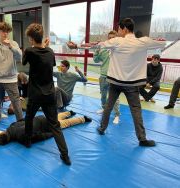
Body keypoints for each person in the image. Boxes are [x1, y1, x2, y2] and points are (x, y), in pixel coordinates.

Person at [67, 18, 166, 147]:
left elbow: (97, 45)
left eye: (119, 29)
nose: (118, 32)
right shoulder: (143, 42)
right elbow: (162, 43)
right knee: (136, 110)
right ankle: (142, 139)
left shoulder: (118, 41)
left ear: (124, 29)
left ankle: (102, 129)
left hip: (115, 82)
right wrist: (152, 39)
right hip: (132, 84)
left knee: (108, 106)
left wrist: (76, 46)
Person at [22, 23, 71, 165]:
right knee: (54, 125)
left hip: (36, 94)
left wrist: (34, 46)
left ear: (31, 39)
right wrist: (45, 45)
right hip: (50, 94)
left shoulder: (29, 51)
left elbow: (24, 61)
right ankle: (65, 155)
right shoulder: (50, 51)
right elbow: (47, 59)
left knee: (29, 117)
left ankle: (27, 141)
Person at [0, 111, 92, 146]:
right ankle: (69, 112)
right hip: (40, 117)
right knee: (57, 116)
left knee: (65, 123)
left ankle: (83, 119)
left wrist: (52, 133)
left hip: (45, 126)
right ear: (2, 133)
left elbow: (39, 137)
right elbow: (23, 119)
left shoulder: (21, 138)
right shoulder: (11, 126)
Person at [93, 30, 120, 124]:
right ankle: (104, 109)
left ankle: (117, 115)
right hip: (103, 76)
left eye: (113, 38)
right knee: (103, 95)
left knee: (115, 98)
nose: (111, 40)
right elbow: (96, 60)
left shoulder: (119, 50)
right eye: (109, 38)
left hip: (114, 77)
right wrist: (97, 50)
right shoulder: (104, 50)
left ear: (116, 39)